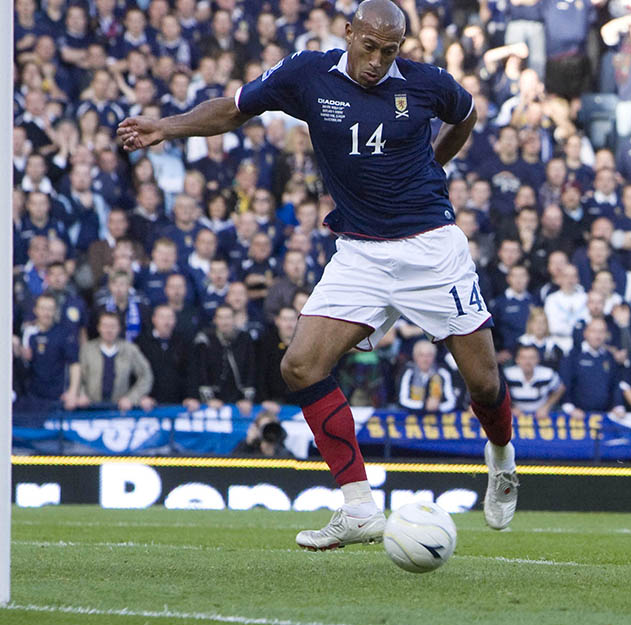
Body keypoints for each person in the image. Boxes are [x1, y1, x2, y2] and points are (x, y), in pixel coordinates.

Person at [119, 0, 519, 547]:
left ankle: (501, 459)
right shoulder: (307, 74)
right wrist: (166, 126)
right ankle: (358, 506)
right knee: (301, 366)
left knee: (484, 382)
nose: (377, 60)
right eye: (369, 46)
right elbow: (235, 109)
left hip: (431, 249)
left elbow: (466, 115)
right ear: (348, 32)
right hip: (360, 251)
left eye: (390, 50)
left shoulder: (429, 83)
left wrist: (435, 165)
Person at [74, 311, 156, 412]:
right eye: (105, 326)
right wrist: (81, 395)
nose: (109, 330)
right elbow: (78, 376)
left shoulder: (129, 349)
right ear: (99, 328)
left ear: (119, 328)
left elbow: (146, 375)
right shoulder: (87, 349)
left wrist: (132, 398)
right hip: (90, 409)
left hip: (120, 410)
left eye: (113, 326)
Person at [396, 340, 458, 413]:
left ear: (434, 357)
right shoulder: (408, 372)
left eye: (429, 355)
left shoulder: (442, 373)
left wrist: (437, 407)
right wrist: (424, 405)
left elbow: (452, 401)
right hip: (411, 418)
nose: (425, 359)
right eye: (421, 355)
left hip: (438, 418)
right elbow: (402, 400)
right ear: (415, 357)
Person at [505, 344, 565, 416]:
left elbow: (560, 388)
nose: (527, 362)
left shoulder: (548, 373)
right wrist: (510, 407)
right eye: (523, 358)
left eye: (532, 358)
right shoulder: (507, 374)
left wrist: (546, 407)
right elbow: (499, 395)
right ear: (517, 360)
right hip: (515, 418)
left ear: (538, 359)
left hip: (541, 417)